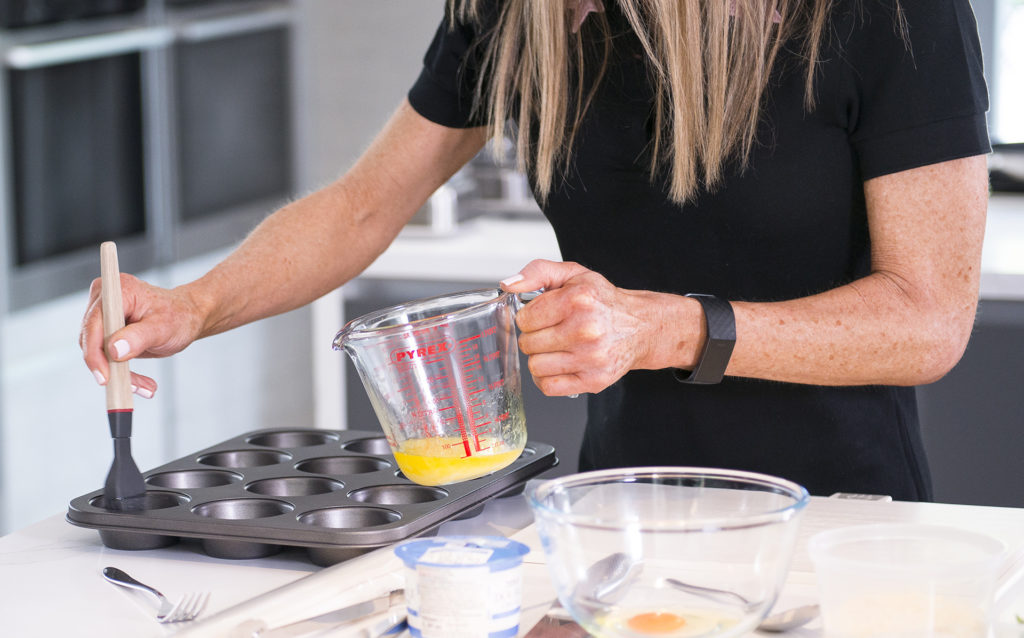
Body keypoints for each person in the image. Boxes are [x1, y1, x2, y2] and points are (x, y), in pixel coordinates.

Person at [80, 0, 990, 502]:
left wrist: (665, 330)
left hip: (841, 518)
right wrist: (197, 305)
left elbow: (927, 320)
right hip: (618, 511)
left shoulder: (889, 15)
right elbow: (363, 207)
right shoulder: (515, 15)